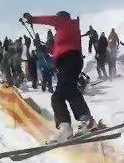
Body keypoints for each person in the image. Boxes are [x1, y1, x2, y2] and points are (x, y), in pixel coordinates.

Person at [23, 11, 97, 143]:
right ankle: (81, 121)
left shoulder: (67, 24)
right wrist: (45, 48)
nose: (55, 23)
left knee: (60, 95)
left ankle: (69, 127)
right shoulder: (63, 32)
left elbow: (51, 19)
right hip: (67, 62)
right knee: (67, 93)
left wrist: (32, 19)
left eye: (58, 19)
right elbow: (57, 50)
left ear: (62, 18)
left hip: (70, 60)